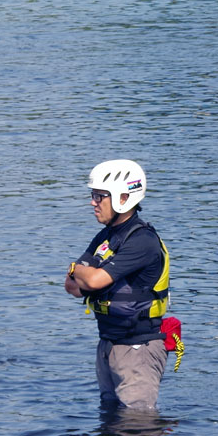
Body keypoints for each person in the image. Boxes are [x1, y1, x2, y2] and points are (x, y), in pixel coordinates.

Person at [65, 159, 171, 410]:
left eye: (100, 196)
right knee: (111, 423)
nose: (93, 202)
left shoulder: (142, 241)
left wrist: (79, 271)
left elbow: (90, 280)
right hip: (109, 343)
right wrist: (81, 275)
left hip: (138, 348)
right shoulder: (104, 237)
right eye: (93, 195)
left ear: (123, 197)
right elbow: (71, 287)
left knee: (137, 429)